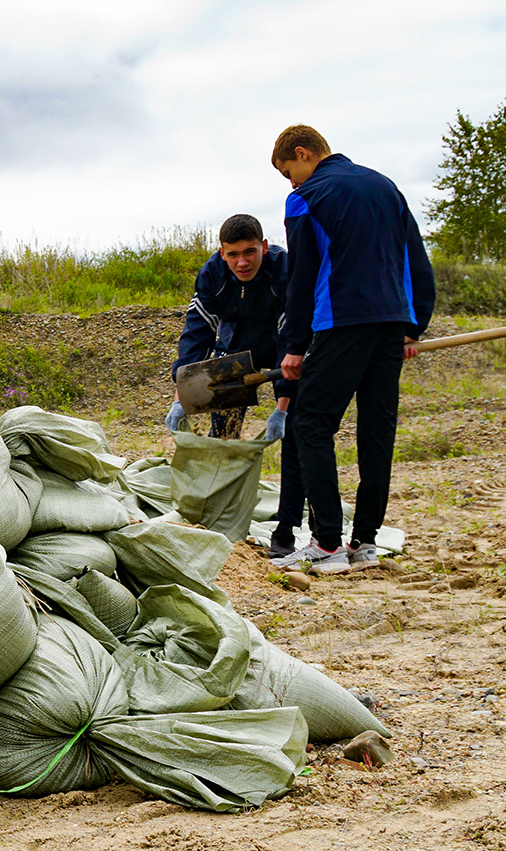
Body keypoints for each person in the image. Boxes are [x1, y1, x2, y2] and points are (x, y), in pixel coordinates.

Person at [270, 124, 435, 575]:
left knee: (310, 423)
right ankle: (365, 543)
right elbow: (415, 258)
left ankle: (327, 544)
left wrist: (295, 344)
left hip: (341, 322)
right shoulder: (385, 186)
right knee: (376, 433)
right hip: (390, 324)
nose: (291, 183)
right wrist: (414, 325)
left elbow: (303, 275)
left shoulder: (307, 197)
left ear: (303, 154)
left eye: (289, 172)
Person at [166, 214, 306, 555]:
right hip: (234, 351)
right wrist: (181, 394)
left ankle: (286, 529)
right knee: (224, 434)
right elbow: (196, 336)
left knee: (298, 437)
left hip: (282, 347)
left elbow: (292, 335)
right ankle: (218, 516)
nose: (242, 262)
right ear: (222, 253)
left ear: (264, 247)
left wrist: (282, 407)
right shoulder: (213, 274)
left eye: (250, 252)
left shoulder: (284, 270)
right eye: (233, 254)